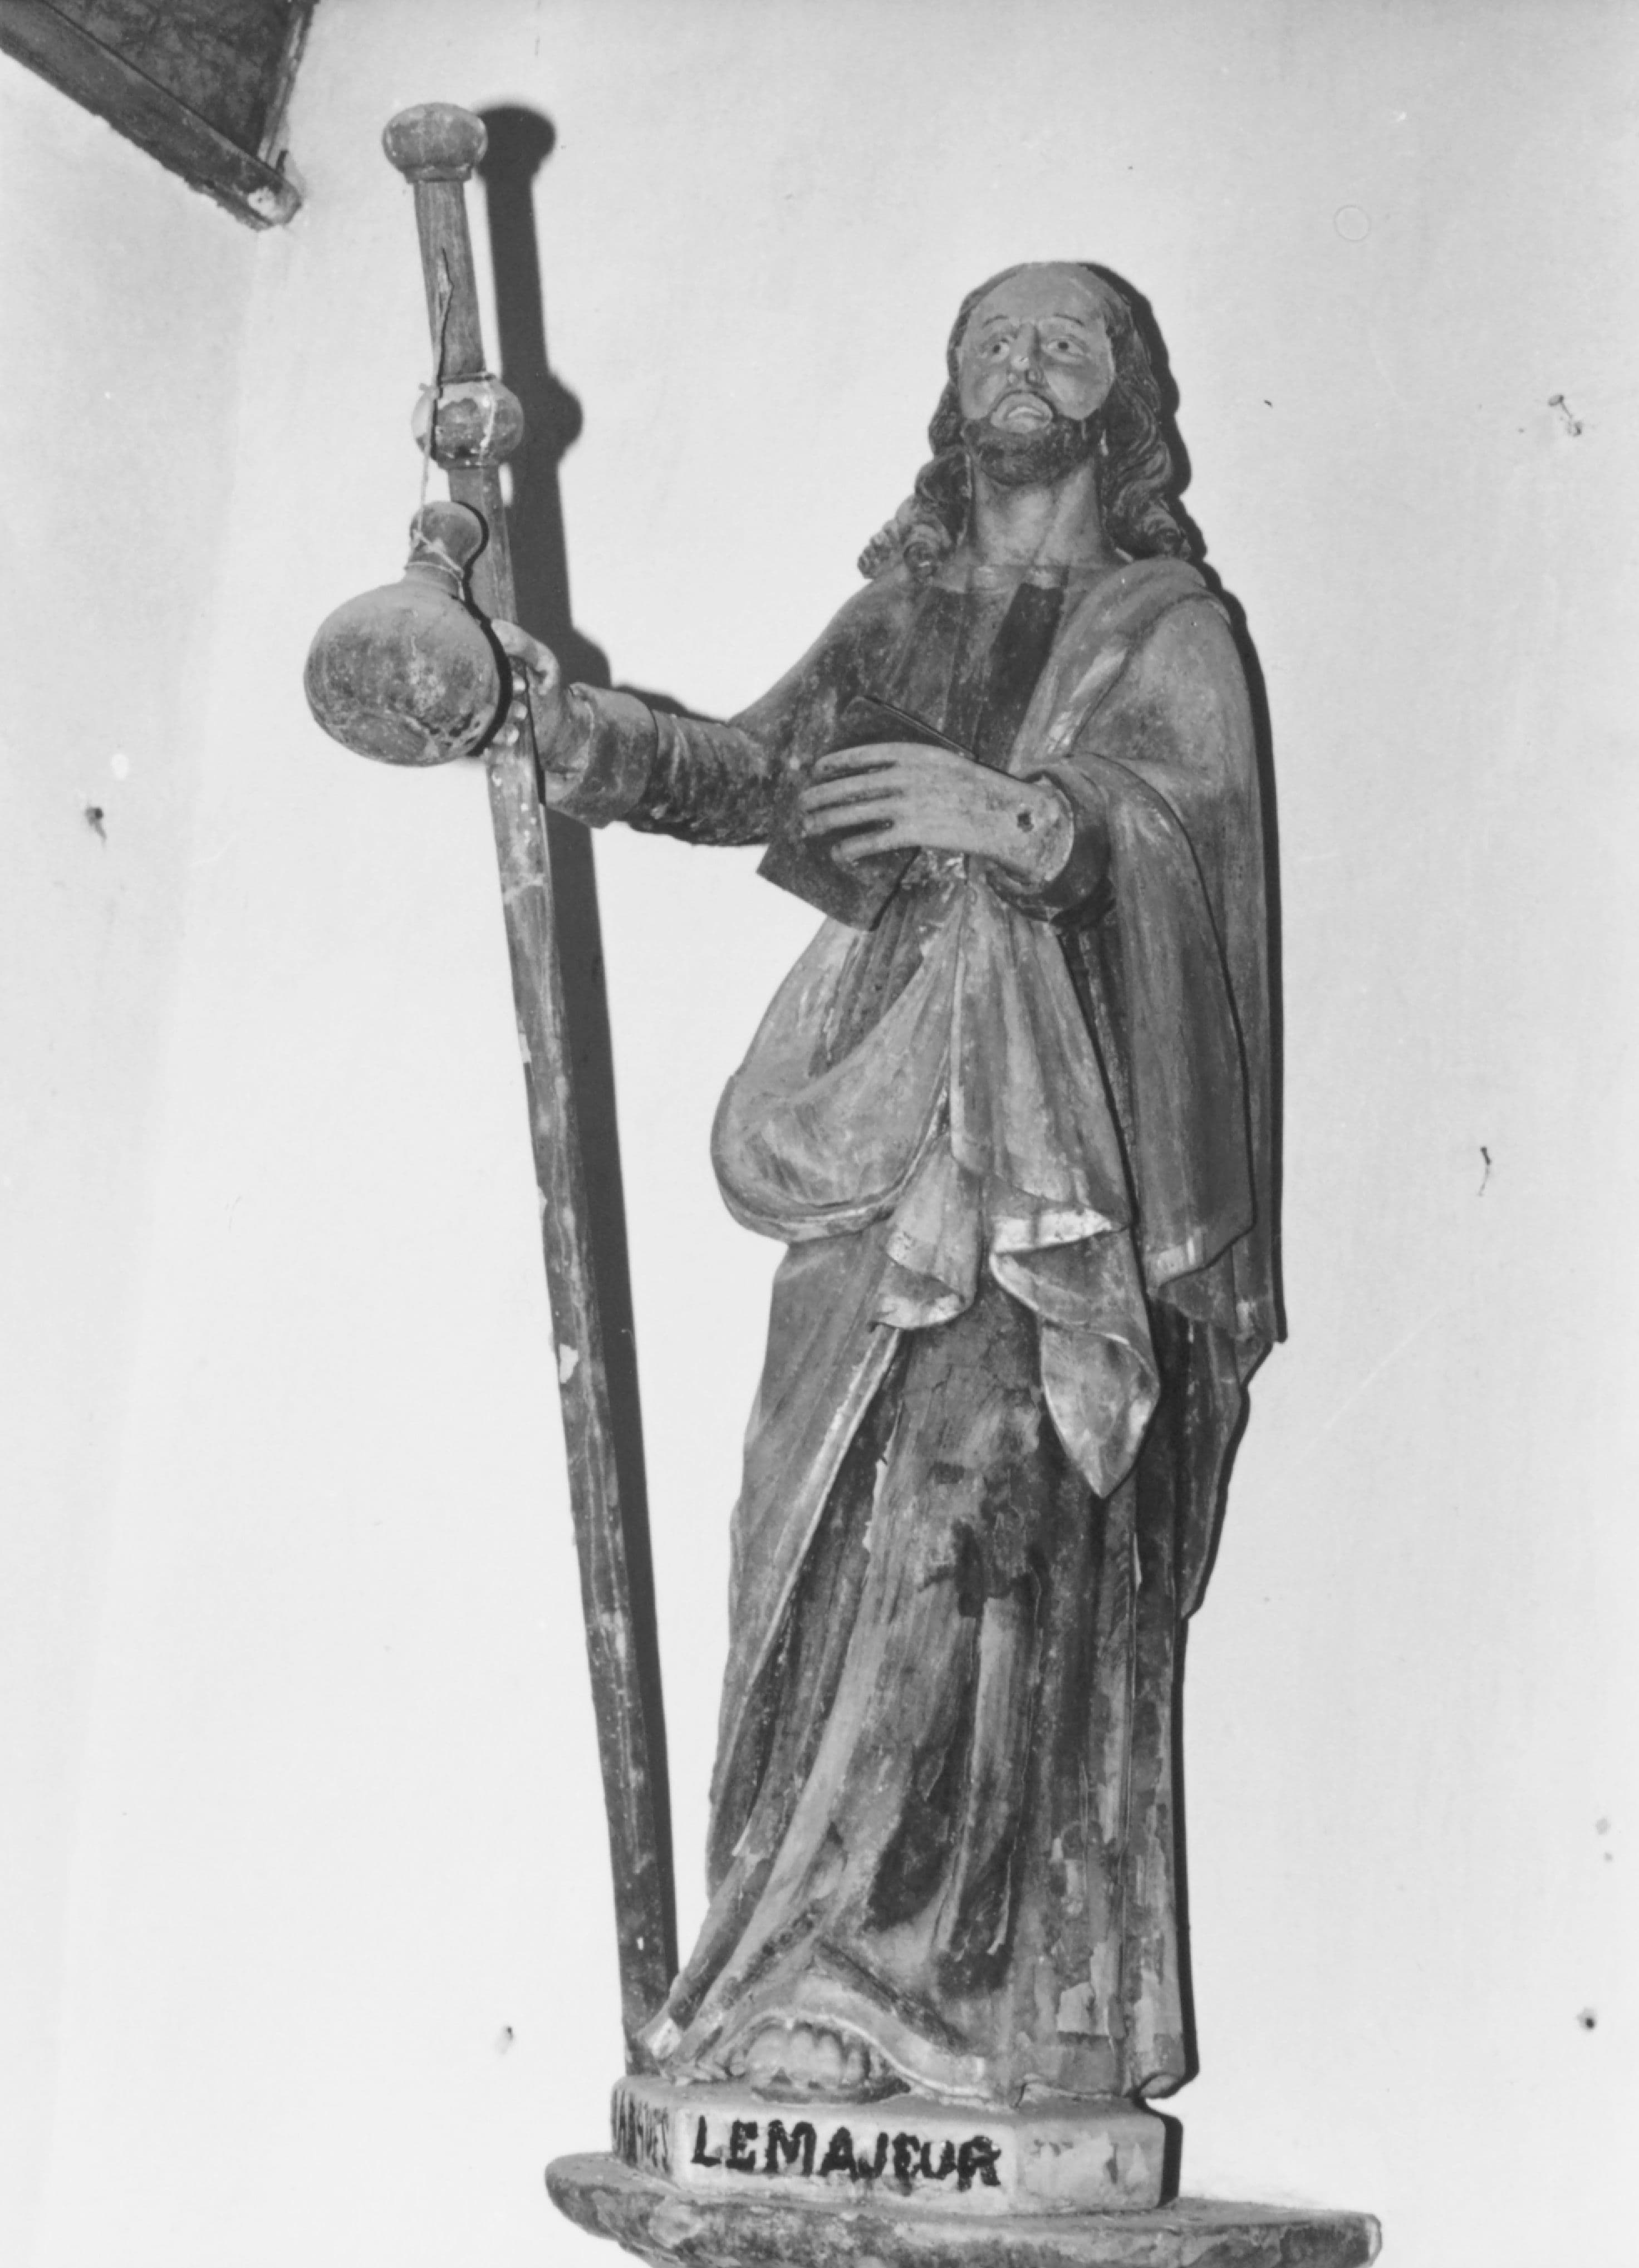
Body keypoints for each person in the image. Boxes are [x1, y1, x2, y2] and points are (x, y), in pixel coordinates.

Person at [493, 262, 1278, 2110]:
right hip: (875, 1132)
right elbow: (752, 773)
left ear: (1126, 405)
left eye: (1066, 339)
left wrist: (1025, 821)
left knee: (975, 1519)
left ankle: (935, 1998)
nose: (1025, 360)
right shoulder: (901, 618)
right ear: (952, 394)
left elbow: (1193, 846)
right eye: (993, 337)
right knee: (807, 1538)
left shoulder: (1170, 628)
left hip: (1057, 1168)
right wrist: (572, 733)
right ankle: (785, 1959)